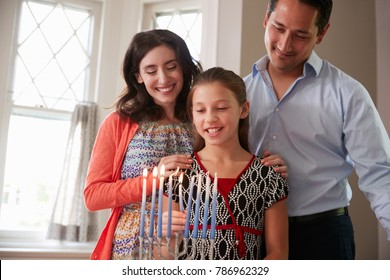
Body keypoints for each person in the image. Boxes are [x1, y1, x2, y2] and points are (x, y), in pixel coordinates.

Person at [84, 30, 287, 260]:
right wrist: (154, 180)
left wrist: (265, 167)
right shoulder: (120, 123)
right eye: (151, 71)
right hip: (130, 248)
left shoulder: (201, 118)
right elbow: (93, 196)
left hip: (193, 248)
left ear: (183, 67)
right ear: (138, 76)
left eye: (171, 66)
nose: (163, 79)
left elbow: (227, 167)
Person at [244, 0, 390, 260]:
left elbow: (381, 176)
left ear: (321, 33)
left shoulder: (348, 93)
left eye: (301, 35)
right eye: (279, 28)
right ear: (266, 19)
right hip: (253, 233)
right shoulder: (239, 93)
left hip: (325, 236)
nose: (285, 45)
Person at [160, 67, 289, 260]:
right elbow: (163, 256)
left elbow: (278, 254)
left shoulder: (267, 176)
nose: (210, 118)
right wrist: (164, 235)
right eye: (201, 110)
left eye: (221, 108)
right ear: (192, 116)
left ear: (243, 109)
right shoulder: (180, 175)